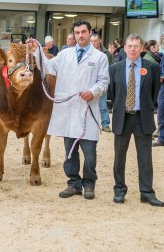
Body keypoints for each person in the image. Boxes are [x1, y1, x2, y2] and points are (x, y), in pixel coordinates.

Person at [32, 20, 109, 200]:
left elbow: (104, 81)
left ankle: (89, 184)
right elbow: (48, 67)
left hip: (87, 109)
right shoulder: (65, 54)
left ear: (90, 33)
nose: (80, 35)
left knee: (89, 152)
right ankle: (73, 183)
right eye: (77, 32)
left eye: (83, 32)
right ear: (74, 35)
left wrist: (93, 91)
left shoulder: (99, 57)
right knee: (70, 150)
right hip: (68, 110)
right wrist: (35, 51)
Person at [109, 33, 164, 207]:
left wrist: (146, 107)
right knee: (119, 158)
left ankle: (147, 193)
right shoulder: (115, 68)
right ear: (124, 48)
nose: (132, 49)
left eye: (136, 46)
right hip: (122, 118)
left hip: (143, 118)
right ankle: (119, 190)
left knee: (145, 158)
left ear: (142, 48)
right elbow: (113, 93)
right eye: (129, 46)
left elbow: (155, 91)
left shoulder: (152, 68)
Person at [91, 33, 113, 132]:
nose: (93, 43)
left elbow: (111, 68)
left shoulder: (107, 54)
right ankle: (92, 124)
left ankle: (105, 124)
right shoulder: (88, 53)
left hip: (102, 82)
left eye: (95, 41)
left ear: (100, 41)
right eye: (91, 41)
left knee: (103, 104)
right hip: (90, 82)